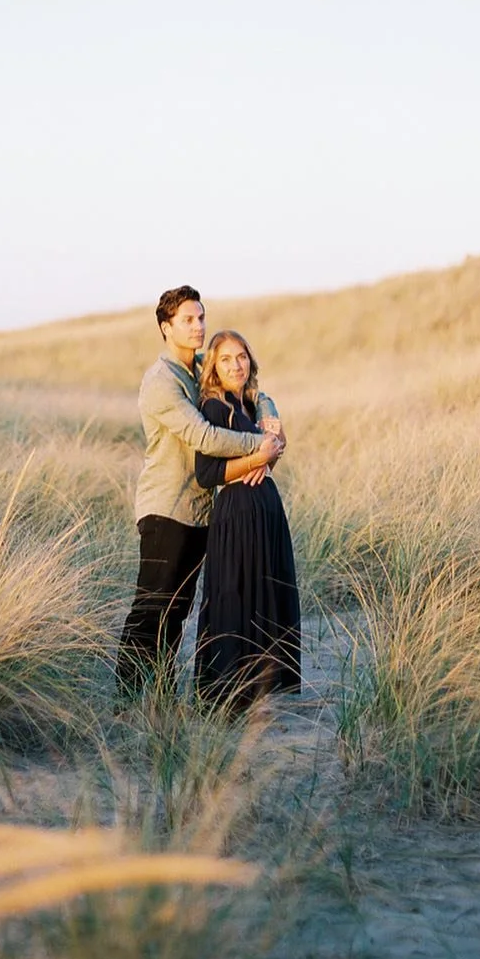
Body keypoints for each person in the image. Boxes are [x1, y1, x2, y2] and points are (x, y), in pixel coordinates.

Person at [115, 286, 285, 700]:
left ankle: (159, 695)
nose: (198, 326)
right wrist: (259, 449)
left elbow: (251, 388)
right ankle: (125, 699)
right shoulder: (161, 380)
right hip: (167, 509)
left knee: (179, 612)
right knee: (152, 608)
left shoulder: (199, 369)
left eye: (201, 317)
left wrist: (268, 415)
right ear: (165, 327)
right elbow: (201, 435)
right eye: (188, 320)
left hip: (202, 512)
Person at [193, 330, 301, 711]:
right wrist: (257, 459)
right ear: (213, 367)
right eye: (225, 359)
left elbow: (276, 448)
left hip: (265, 510)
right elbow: (206, 472)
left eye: (241, 357)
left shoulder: (254, 405)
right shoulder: (214, 407)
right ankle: (224, 695)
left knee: (264, 594)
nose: (235, 365)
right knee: (233, 596)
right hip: (236, 513)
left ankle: (259, 688)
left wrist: (270, 452)